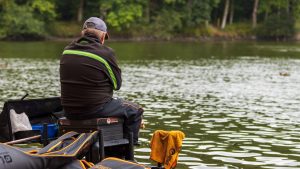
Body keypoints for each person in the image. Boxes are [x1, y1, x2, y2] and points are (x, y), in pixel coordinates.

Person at [59, 17, 143, 144]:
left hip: (69, 111)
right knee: (135, 110)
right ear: (102, 36)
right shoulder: (106, 53)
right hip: (94, 109)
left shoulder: (67, 50)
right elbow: (117, 85)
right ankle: (128, 154)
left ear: (83, 33)